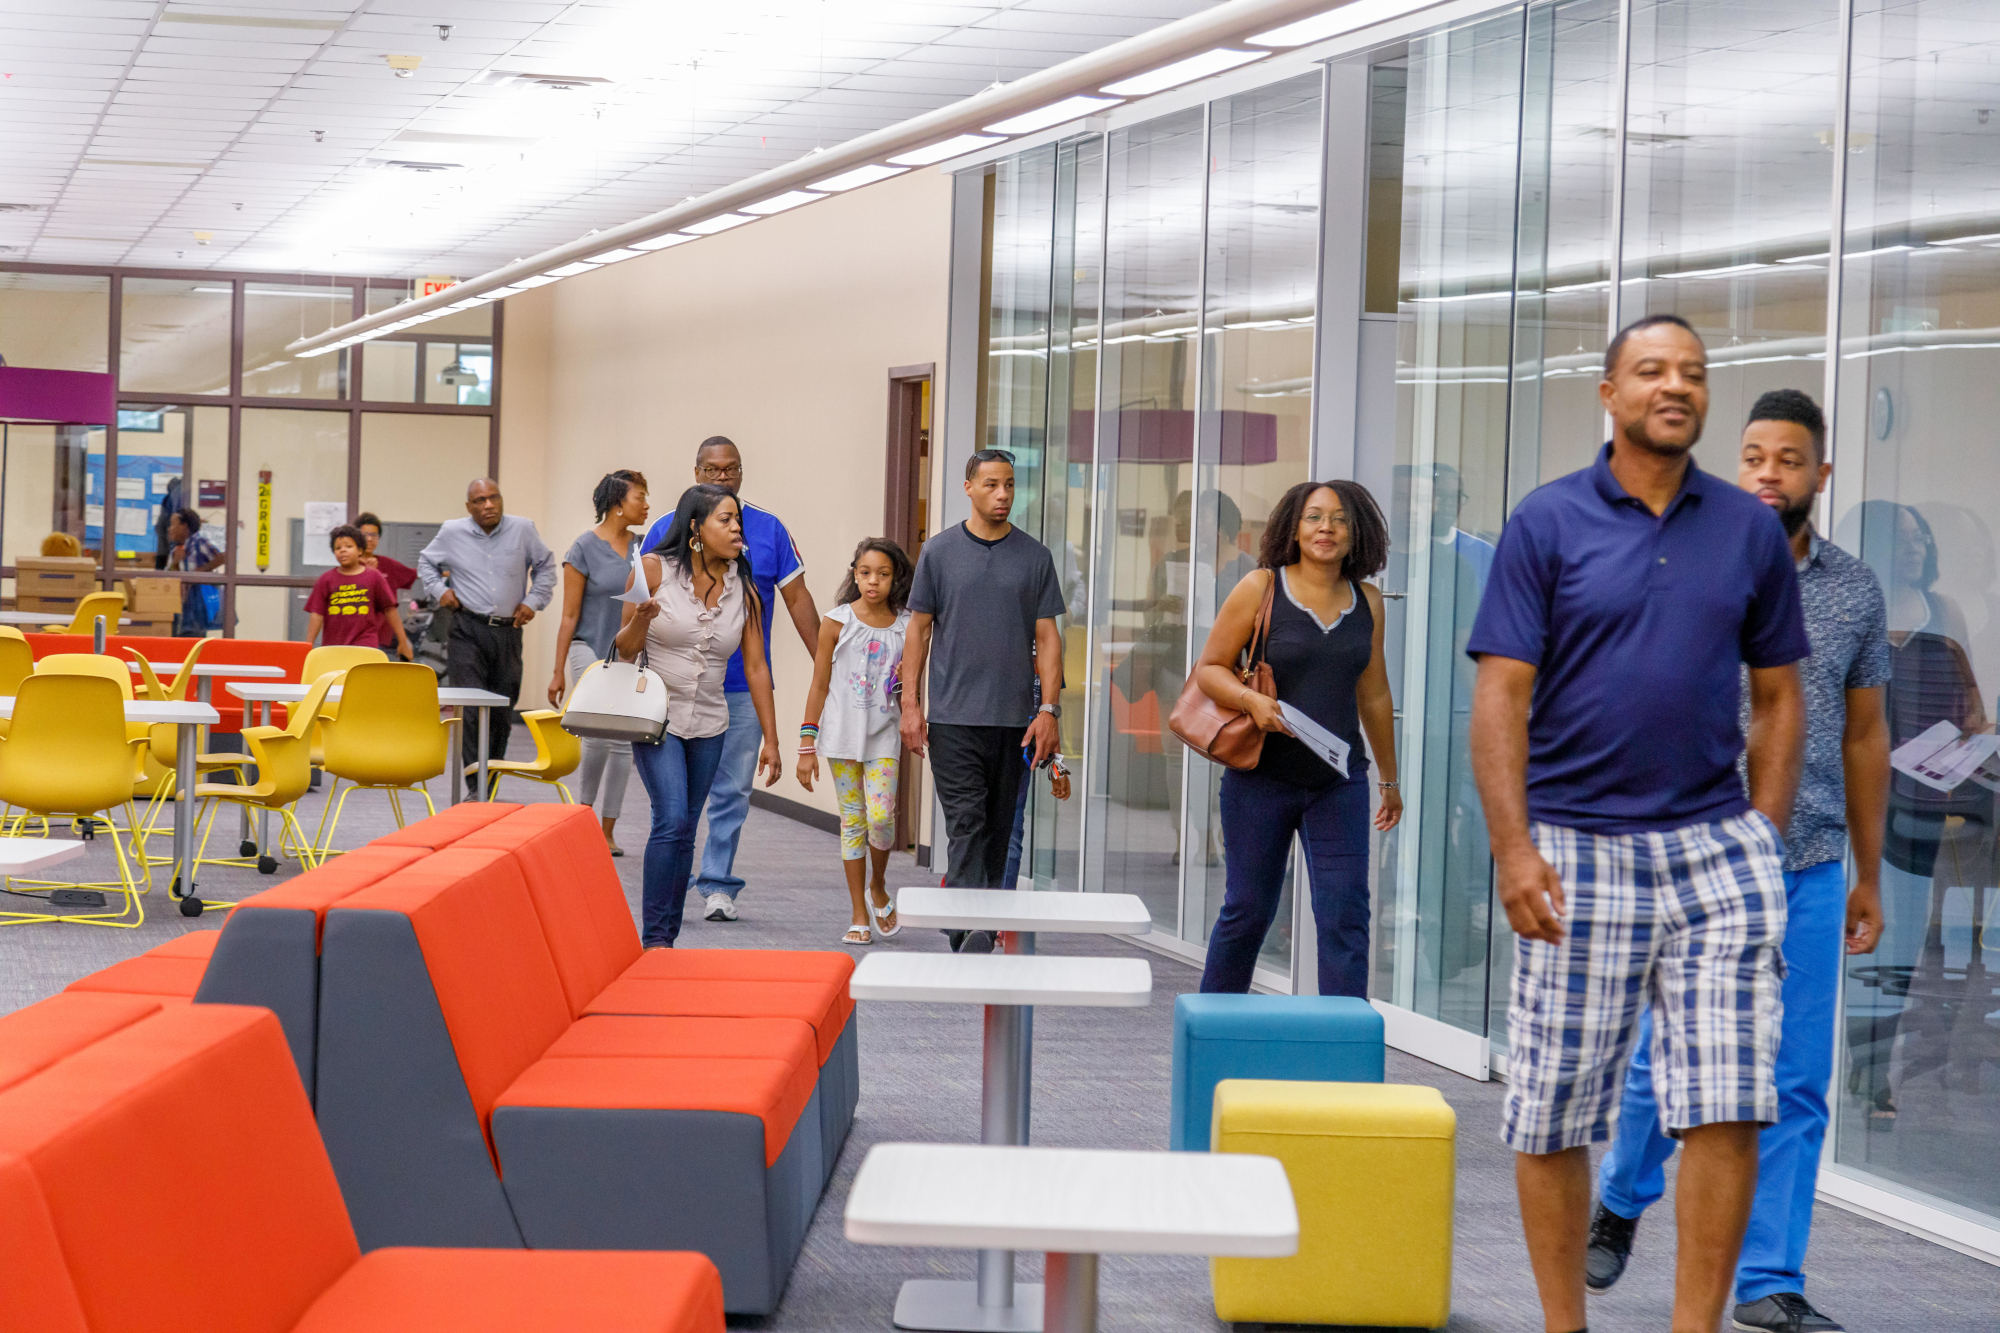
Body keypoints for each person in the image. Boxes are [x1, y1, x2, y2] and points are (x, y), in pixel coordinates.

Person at [1466, 313, 1809, 1333]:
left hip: (1714, 849)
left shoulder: (1745, 529)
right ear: (1607, 393)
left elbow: (1780, 694)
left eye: (1692, 375)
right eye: (1650, 371)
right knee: (1553, 1106)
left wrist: (1761, 829)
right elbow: (1500, 697)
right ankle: (1563, 1325)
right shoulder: (1547, 520)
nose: (1675, 386)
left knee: (1729, 1099)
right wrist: (1513, 847)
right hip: (1573, 848)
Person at [1585, 389, 1888, 1333]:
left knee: (1794, 1078)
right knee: (1662, 1061)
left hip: (1808, 863)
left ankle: (1768, 1277)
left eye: (1789, 459)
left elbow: (1867, 735)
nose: (1769, 473)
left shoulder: (1854, 591)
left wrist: (1869, 872)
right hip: (1695, 856)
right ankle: (1622, 1198)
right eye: (1753, 455)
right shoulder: (1687, 565)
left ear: (1819, 476)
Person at [1191, 480, 1403, 995]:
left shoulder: (1368, 601)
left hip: (1338, 782)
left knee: (1345, 916)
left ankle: (1343, 1055)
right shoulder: (1261, 588)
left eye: (1339, 519)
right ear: (1293, 526)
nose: (1325, 528)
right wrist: (1251, 702)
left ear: (1359, 533)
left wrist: (1389, 780)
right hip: (1261, 779)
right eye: (1313, 517)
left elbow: (1373, 696)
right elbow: (1210, 670)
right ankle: (1213, 1034)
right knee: (1247, 912)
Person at [639, 436, 818, 924]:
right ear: (696, 470)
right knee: (676, 812)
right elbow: (636, 607)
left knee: (732, 791)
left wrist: (826, 664)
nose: (722, 477)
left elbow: (798, 598)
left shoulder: (769, 529)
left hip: (735, 686)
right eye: (713, 470)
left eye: (731, 469)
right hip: (667, 693)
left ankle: (717, 882)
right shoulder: (664, 528)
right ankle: (669, 893)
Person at [900, 448, 1064, 953]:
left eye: (1010, 485)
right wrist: (911, 705)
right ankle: (974, 925)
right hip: (952, 718)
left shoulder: (1034, 557)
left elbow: (1049, 638)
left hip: (1015, 719)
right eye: (992, 484)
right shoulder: (940, 552)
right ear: (969, 487)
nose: (1003, 495)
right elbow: (919, 631)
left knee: (997, 829)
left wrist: (1049, 711)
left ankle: (971, 921)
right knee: (966, 820)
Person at [615, 484, 781, 948]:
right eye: (725, 520)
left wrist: (773, 737)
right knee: (670, 818)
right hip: (656, 716)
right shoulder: (649, 569)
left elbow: (755, 666)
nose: (736, 529)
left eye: (737, 521)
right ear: (695, 528)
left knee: (687, 825)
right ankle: (656, 940)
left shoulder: (744, 590)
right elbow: (623, 651)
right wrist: (642, 619)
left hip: (711, 721)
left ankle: (666, 934)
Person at [796, 538, 913, 945]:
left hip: (883, 735)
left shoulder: (906, 625)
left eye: (883, 574)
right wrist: (806, 745)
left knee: (881, 817)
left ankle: (878, 884)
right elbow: (819, 684)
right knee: (853, 821)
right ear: (854, 574)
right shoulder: (837, 621)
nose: (873, 582)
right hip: (840, 736)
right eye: (865, 573)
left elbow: (908, 685)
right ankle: (858, 910)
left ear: (895, 578)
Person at [417, 478, 557, 792]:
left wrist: (533, 601)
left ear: (501, 499)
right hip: (467, 628)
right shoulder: (452, 532)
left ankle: (490, 779)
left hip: (508, 632)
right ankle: (474, 786)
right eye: (479, 500)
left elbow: (546, 566)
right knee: (470, 708)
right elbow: (426, 561)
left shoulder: (523, 530)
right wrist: (441, 591)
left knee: (501, 709)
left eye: (493, 498)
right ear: (469, 507)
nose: (488, 505)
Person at [549, 470, 650, 856]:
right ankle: (582, 817)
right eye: (640, 497)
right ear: (618, 504)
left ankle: (607, 831)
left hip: (628, 652)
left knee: (623, 743)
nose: (646, 504)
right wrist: (558, 670)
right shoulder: (583, 548)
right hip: (587, 649)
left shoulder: (644, 547)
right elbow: (569, 615)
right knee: (596, 734)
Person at [305, 524, 413, 661]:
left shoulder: (374, 577)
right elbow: (317, 615)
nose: (343, 550)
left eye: (349, 547)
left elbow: (390, 610)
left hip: (365, 646)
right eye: (338, 548)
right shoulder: (326, 580)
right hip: (333, 648)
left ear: (360, 550)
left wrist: (403, 641)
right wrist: (308, 646)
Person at [354, 512, 419, 656]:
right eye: (365, 535)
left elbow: (415, 573)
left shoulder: (388, 565)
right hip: (355, 637)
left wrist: (449, 573)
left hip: (383, 638)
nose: (370, 539)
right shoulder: (350, 566)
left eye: (374, 535)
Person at [166, 507, 223, 636]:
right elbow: (168, 578)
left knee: (194, 641)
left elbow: (222, 557)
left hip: (196, 612)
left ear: (184, 527)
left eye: (173, 525)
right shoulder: (176, 550)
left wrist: (199, 571)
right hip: (179, 611)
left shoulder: (199, 544)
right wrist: (175, 563)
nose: (169, 529)